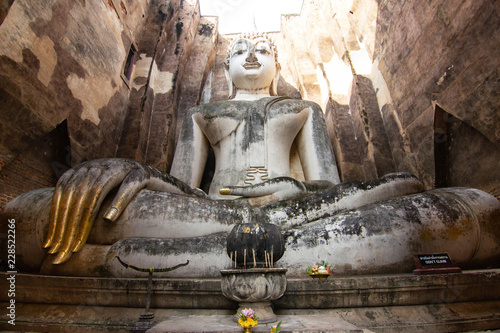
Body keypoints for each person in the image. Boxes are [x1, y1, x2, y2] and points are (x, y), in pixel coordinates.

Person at [4, 33, 498, 277]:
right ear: (226, 65)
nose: (253, 56)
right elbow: (181, 185)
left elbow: (327, 184)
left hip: (300, 211)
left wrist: (292, 190)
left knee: (431, 197)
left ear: (277, 62)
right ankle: (288, 256)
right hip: (207, 213)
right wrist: (132, 172)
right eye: (242, 49)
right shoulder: (202, 112)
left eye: (263, 49)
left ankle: (162, 261)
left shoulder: (303, 108)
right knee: (27, 216)